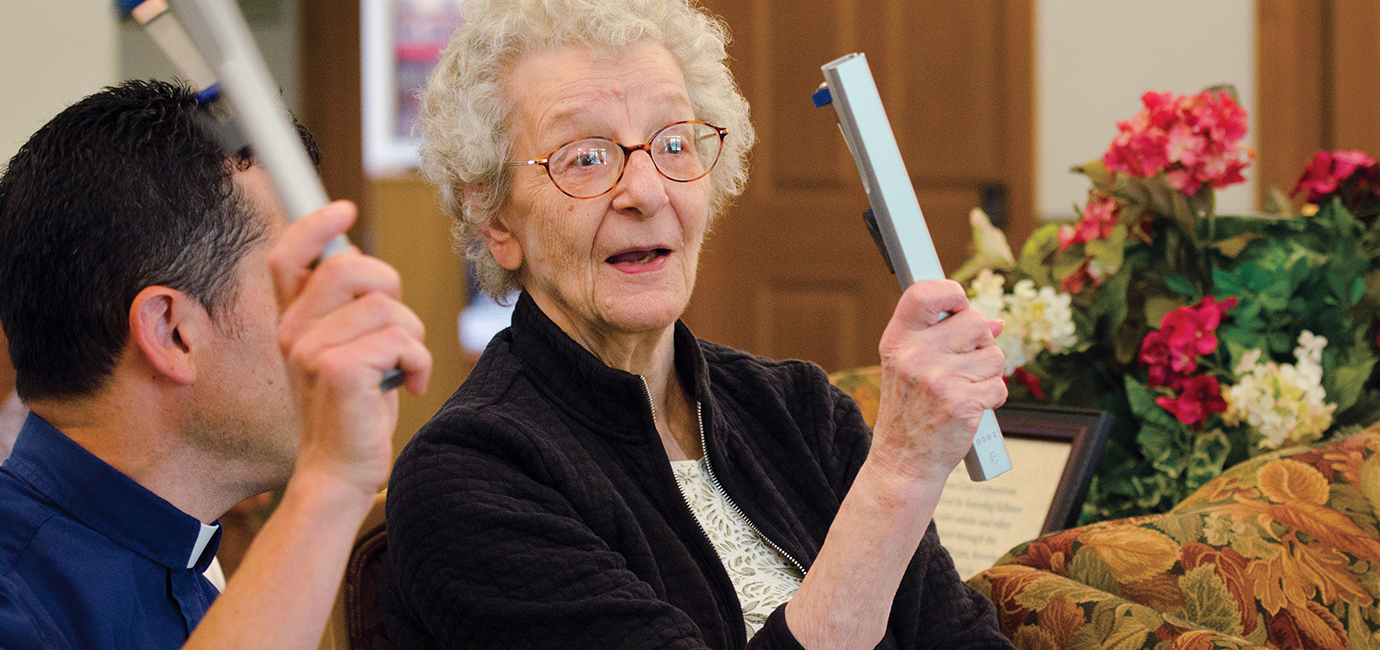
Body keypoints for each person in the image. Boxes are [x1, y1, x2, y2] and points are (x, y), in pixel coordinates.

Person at [384, 0, 1012, 647]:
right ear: (494, 218)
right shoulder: (469, 478)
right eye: (585, 157)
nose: (647, 191)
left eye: (674, 144)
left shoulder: (801, 410)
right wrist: (900, 477)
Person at [0, 80, 432, 650]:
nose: (340, 312)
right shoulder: (19, 605)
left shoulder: (191, 558)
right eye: (299, 278)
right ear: (171, 332)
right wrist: (328, 483)